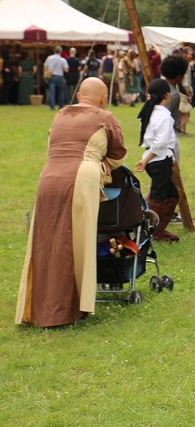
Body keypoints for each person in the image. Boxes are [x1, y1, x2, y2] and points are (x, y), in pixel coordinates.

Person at [16, 78, 127, 327]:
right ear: (103, 98)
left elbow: (51, 147)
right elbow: (118, 153)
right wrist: (103, 164)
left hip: (49, 177)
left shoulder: (58, 116)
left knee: (44, 241)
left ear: (78, 96)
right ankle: (67, 308)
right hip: (81, 177)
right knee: (76, 241)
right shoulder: (105, 116)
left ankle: (40, 307)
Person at [134, 79, 182, 243]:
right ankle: (147, 231)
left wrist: (146, 159)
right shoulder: (164, 115)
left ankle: (158, 230)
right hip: (159, 161)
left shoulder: (147, 112)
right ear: (167, 95)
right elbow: (160, 143)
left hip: (155, 160)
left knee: (172, 196)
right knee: (157, 199)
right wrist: (146, 160)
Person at [44, 46, 68, 110]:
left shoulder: (49, 58)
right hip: (60, 76)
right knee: (61, 92)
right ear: (61, 52)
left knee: (52, 92)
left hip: (52, 76)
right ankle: (61, 106)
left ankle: (52, 107)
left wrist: (47, 73)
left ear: (54, 51)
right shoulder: (62, 59)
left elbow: (45, 67)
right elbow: (66, 70)